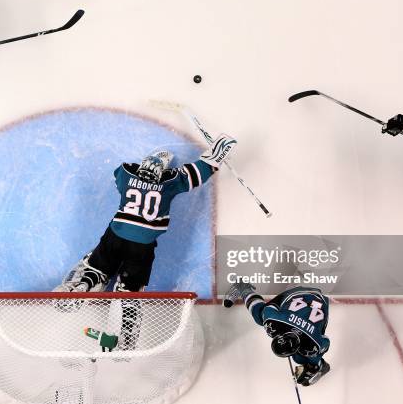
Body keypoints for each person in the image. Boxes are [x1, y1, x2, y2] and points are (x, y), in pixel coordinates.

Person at [54, 134, 236, 349]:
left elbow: (118, 174)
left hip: (116, 235)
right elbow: (196, 174)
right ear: (162, 173)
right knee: (130, 288)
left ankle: (87, 283)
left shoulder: (126, 173)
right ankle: (126, 334)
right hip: (143, 244)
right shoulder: (170, 182)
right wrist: (214, 159)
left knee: (99, 265)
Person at [224, 284, 331, 386]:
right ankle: (243, 288)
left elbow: (325, 342)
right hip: (299, 295)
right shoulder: (273, 322)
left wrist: (315, 357)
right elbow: (269, 308)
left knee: (302, 357)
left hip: (314, 299)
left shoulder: (312, 345)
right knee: (260, 315)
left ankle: (319, 366)